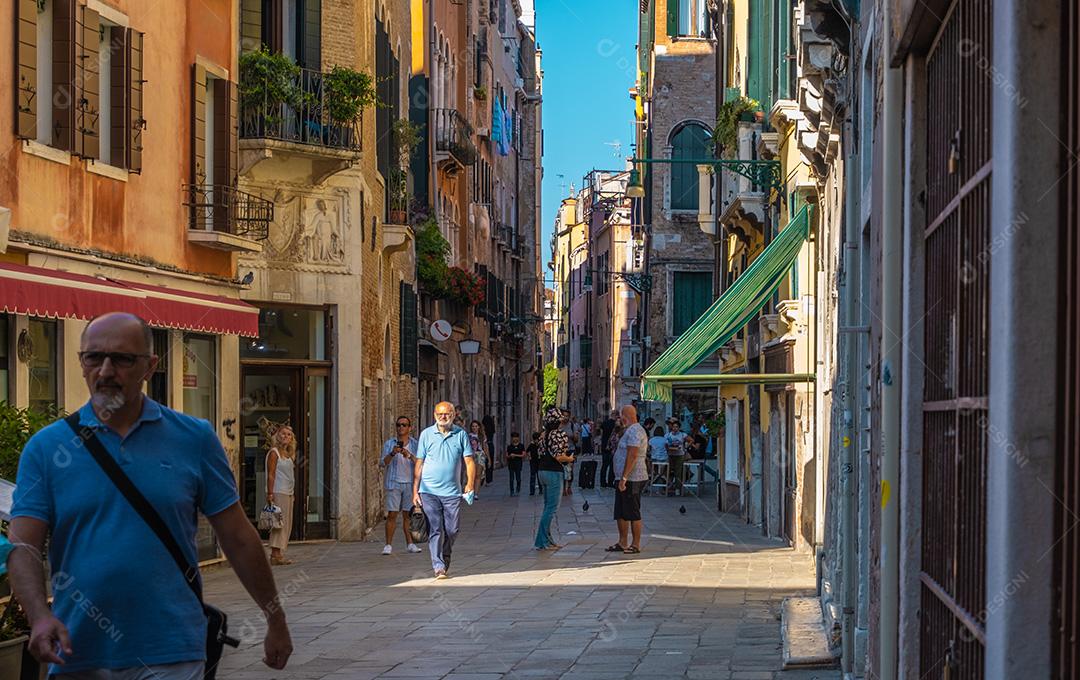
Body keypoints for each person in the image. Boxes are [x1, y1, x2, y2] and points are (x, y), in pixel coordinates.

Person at [8, 312, 292, 677]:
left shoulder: (193, 439)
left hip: (172, 650)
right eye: (93, 357)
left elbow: (238, 536)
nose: (105, 371)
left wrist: (275, 619)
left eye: (122, 359)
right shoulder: (47, 449)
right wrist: (38, 616)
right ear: (81, 362)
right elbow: (24, 545)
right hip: (79, 651)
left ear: (150, 366)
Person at [413, 402, 477, 579]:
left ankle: (445, 555)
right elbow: (419, 462)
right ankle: (438, 566)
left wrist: (470, 483)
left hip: (452, 492)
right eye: (440, 414)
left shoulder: (461, 434)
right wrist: (415, 490)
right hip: (428, 491)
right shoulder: (426, 434)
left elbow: (469, 461)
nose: (443, 417)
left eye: (447, 414)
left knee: (452, 530)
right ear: (435, 415)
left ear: (453, 415)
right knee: (435, 528)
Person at [605, 405, 649, 555]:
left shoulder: (636, 431)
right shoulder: (628, 430)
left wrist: (624, 477)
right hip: (622, 478)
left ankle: (635, 544)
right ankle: (622, 542)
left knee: (632, 511)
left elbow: (633, 454)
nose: (620, 419)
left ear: (626, 416)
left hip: (633, 478)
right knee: (621, 511)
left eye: (621, 416)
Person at [380, 415, 422, 555]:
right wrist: (393, 453)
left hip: (410, 483)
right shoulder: (389, 444)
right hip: (394, 483)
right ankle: (388, 545)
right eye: (398, 425)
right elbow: (383, 463)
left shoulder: (415, 444)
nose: (401, 427)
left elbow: (420, 463)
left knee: (408, 515)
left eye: (404, 425)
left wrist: (408, 455)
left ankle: (410, 544)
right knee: (392, 514)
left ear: (409, 428)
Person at [534, 408, 575, 550]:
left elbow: (540, 452)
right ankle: (542, 541)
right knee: (551, 508)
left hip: (542, 471)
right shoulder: (559, 434)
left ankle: (548, 540)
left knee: (547, 507)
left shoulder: (542, 435)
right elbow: (559, 456)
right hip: (554, 472)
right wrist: (570, 458)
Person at [266, 424, 297, 565]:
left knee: (286, 524)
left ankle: (279, 553)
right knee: (279, 523)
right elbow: (271, 474)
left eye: (289, 435)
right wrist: (270, 493)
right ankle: (275, 554)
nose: (286, 436)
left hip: (288, 492)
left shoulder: (288, 454)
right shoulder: (274, 453)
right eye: (283, 433)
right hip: (278, 491)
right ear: (277, 436)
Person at [665, 418, 690, 496]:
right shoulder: (667, 435)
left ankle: (677, 488)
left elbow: (691, 440)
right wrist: (668, 447)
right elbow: (665, 444)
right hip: (670, 454)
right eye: (673, 427)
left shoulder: (682, 435)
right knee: (668, 471)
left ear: (679, 428)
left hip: (680, 455)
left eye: (676, 427)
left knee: (678, 472)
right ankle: (668, 486)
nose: (675, 428)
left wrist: (686, 447)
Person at [468, 420, 490, 494]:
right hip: (471, 456)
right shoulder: (468, 436)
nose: (474, 428)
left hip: (480, 456)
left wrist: (489, 459)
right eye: (473, 426)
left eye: (476, 426)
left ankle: (476, 494)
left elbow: (485, 447)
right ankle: (471, 490)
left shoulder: (482, 436)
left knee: (478, 475)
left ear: (479, 427)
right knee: (471, 474)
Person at [559, 409, 578, 496]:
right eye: (564, 416)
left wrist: (573, 436)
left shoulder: (572, 425)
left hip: (571, 450)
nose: (565, 418)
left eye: (567, 416)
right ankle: (563, 488)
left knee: (570, 470)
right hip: (561, 450)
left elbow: (576, 439)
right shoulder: (558, 425)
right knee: (562, 470)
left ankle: (569, 487)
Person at [599, 411, 617, 487]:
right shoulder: (616, 424)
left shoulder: (605, 423)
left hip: (604, 445)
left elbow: (601, 432)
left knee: (604, 465)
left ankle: (602, 482)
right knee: (612, 466)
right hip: (612, 446)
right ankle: (610, 482)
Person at [482, 414, 497, 486]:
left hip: (484, 445)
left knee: (483, 462)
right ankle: (489, 479)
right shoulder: (492, 428)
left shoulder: (483, 430)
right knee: (490, 462)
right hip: (491, 445)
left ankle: (483, 478)